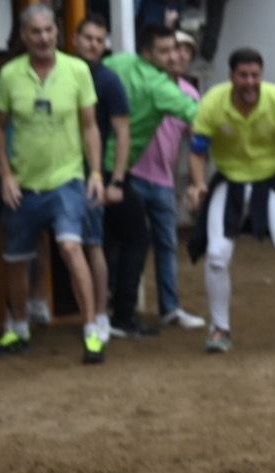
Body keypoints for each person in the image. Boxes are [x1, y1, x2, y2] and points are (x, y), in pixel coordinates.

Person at [187, 47, 275, 354]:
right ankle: (219, 329)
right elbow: (198, 153)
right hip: (229, 180)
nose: (250, 82)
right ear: (232, 77)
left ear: (262, 76)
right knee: (216, 255)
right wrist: (199, 185)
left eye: (255, 75)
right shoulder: (213, 103)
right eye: (243, 75)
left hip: (273, 179)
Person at [0, 4, 108, 364]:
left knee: (71, 248)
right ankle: (20, 329)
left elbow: (90, 126)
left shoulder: (77, 70)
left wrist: (97, 172)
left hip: (67, 179)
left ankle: (91, 333)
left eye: (48, 31)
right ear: (24, 36)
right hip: (24, 182)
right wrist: (6, 175)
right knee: (16, 258)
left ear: (58, 33)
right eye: (35, 32)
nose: (43, 38)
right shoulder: (9, 75)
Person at [102, 23, 199, 336]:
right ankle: (121, 316)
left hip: (97, 165)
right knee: (134, 240)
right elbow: (197, 115)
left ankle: (109, 312)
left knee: (108, 241)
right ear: (148, 52)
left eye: (174, 49)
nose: (172, 56)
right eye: (164, 50)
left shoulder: (119, 63)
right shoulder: (161, 86)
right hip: (116, 170)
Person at [71, 15, 131, 344]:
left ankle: (101, 314)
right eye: (88, 38)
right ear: (76, 39)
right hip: (55, 171)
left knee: (94, 244)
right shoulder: (61, 70)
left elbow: (123, 132)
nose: (93, 45)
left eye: (99, 40)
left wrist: (117, 181)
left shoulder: (108, 80)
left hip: (92, 174)